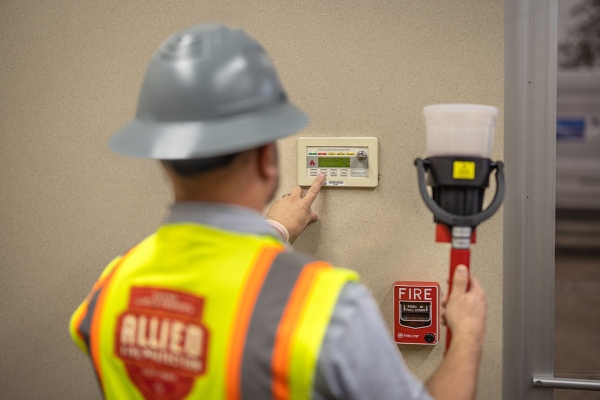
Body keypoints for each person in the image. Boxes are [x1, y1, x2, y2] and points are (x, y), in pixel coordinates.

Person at [69, 22, 487, 400]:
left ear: (162, 158)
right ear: (267, 159)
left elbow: (215, 293)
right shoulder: (325, 307)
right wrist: (467, 334)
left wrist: (274, 229)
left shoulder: (109, 291)